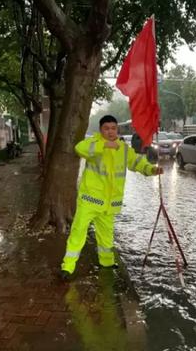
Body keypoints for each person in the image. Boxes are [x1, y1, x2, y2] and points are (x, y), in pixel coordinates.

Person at [61, 115, 164, 277]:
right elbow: (80, 148)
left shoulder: (123, 149)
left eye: (113, 128)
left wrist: (152, 169)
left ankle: (107, 263)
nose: (110, 132)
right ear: (100, 130)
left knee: (106, 236)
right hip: (89, 200)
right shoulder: (94, 143)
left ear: (117, 129)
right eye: (106, 128)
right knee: (78, 232)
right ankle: (67, 267)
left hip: (108, 205)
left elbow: (137, 163)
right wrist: (103, 144)